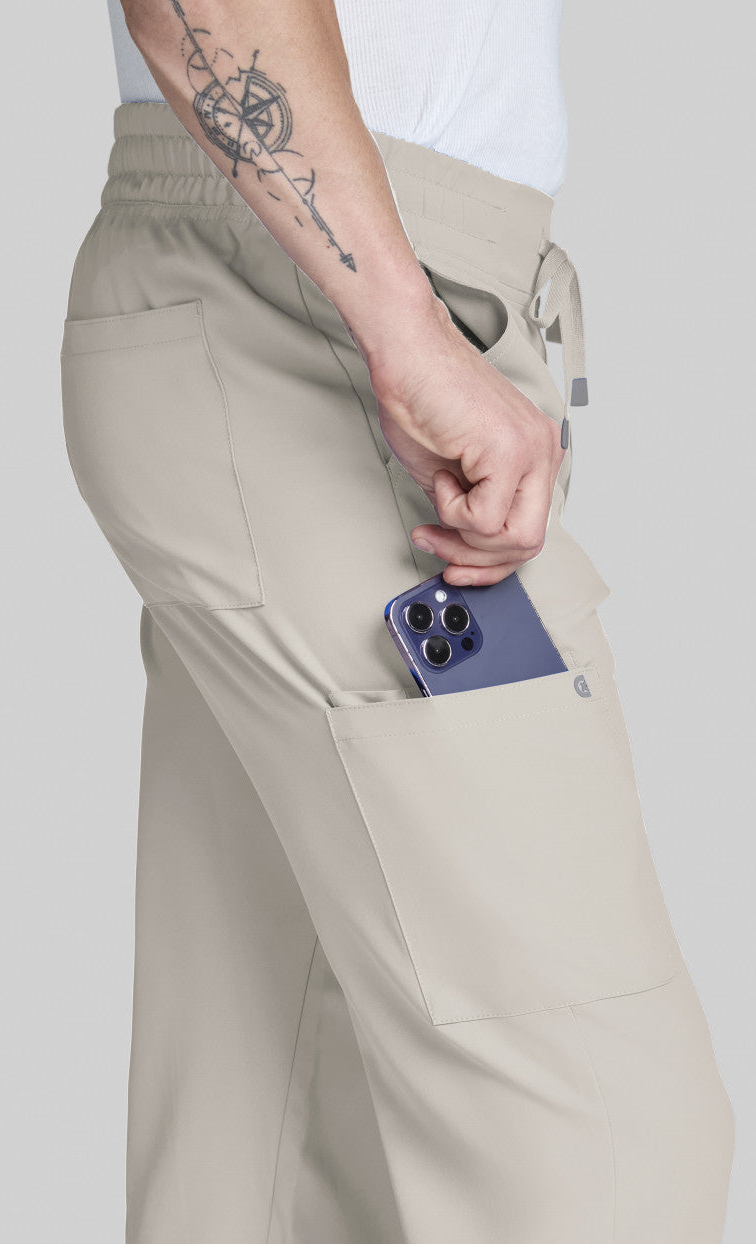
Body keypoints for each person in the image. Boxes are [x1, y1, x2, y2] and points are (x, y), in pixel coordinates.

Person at [59, 1, 735, 1239]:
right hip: (323, 310)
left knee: (274, 1135)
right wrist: (403, 328)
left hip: (291, 281)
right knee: (603, 1140)